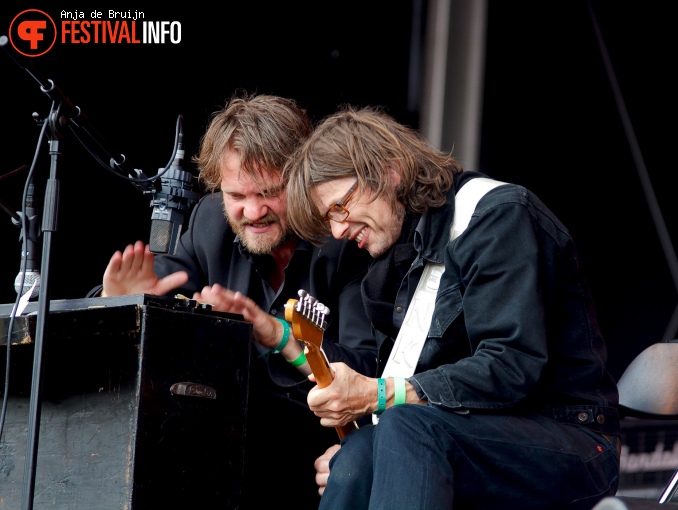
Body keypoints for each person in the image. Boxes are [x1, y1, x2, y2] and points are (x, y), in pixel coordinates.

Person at [283, 105, 621, 509]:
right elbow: (412, 395)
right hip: (466, 436)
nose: (338, 230)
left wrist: (377, 395)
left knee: (406, 427)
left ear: (389, 172)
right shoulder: (396, 258)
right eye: (328, 219)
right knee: (356, 458)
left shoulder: (497, 216)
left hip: (571, 441)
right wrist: (367, 449)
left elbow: (511, 367)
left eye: (340, 207)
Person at [89, 93, 377, 508]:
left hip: (313, 440)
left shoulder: (344, 239)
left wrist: (274, 332)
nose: (253, 211)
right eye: (236, 196)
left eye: (269, 192)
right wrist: (123, 303)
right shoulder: (210, 221)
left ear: (301, 179)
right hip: (225, 439)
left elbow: (368, 366)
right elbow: (162, 284)